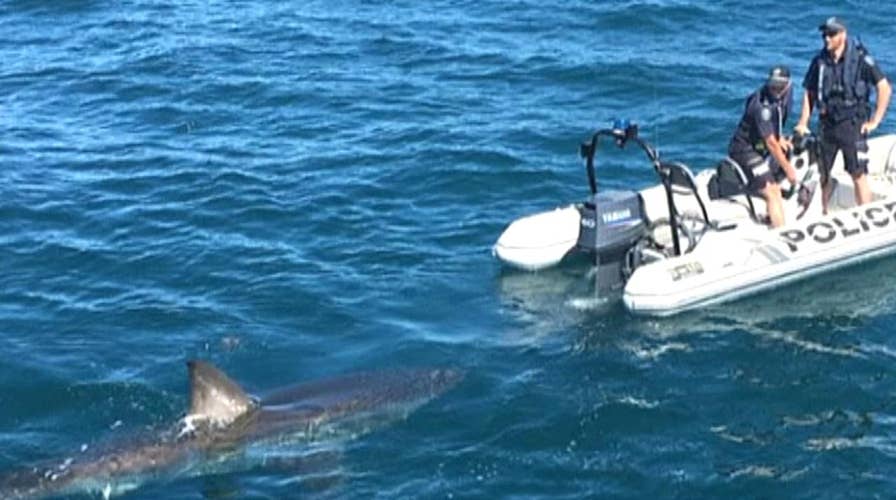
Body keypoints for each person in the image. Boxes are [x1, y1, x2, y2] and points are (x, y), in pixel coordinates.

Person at [794, 16, 892, 213]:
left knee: (857, 172)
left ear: (843, 34)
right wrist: (803, 121)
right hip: (827, 123)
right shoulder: (819, 61)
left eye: (831, 34)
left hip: (852, 123)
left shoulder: (861, 59)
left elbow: (884, 88)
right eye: (824, 35)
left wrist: (875, 121)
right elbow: (809, 92)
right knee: (823, 173)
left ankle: (865, 212)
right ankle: (823, 212)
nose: (826, 38)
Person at [727, 65, 798, 227]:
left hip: (761, 146)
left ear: (787, 84)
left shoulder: (788, 92)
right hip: (744, 150)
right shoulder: (761, 107)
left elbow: (778, 119)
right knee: (773, 192)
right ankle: (780, 233)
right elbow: (771, 143)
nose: (775, 90)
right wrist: (788, 169)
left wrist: (780, 137)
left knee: (779, 169)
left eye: (780, 86)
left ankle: (769, 214)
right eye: (772, 85)